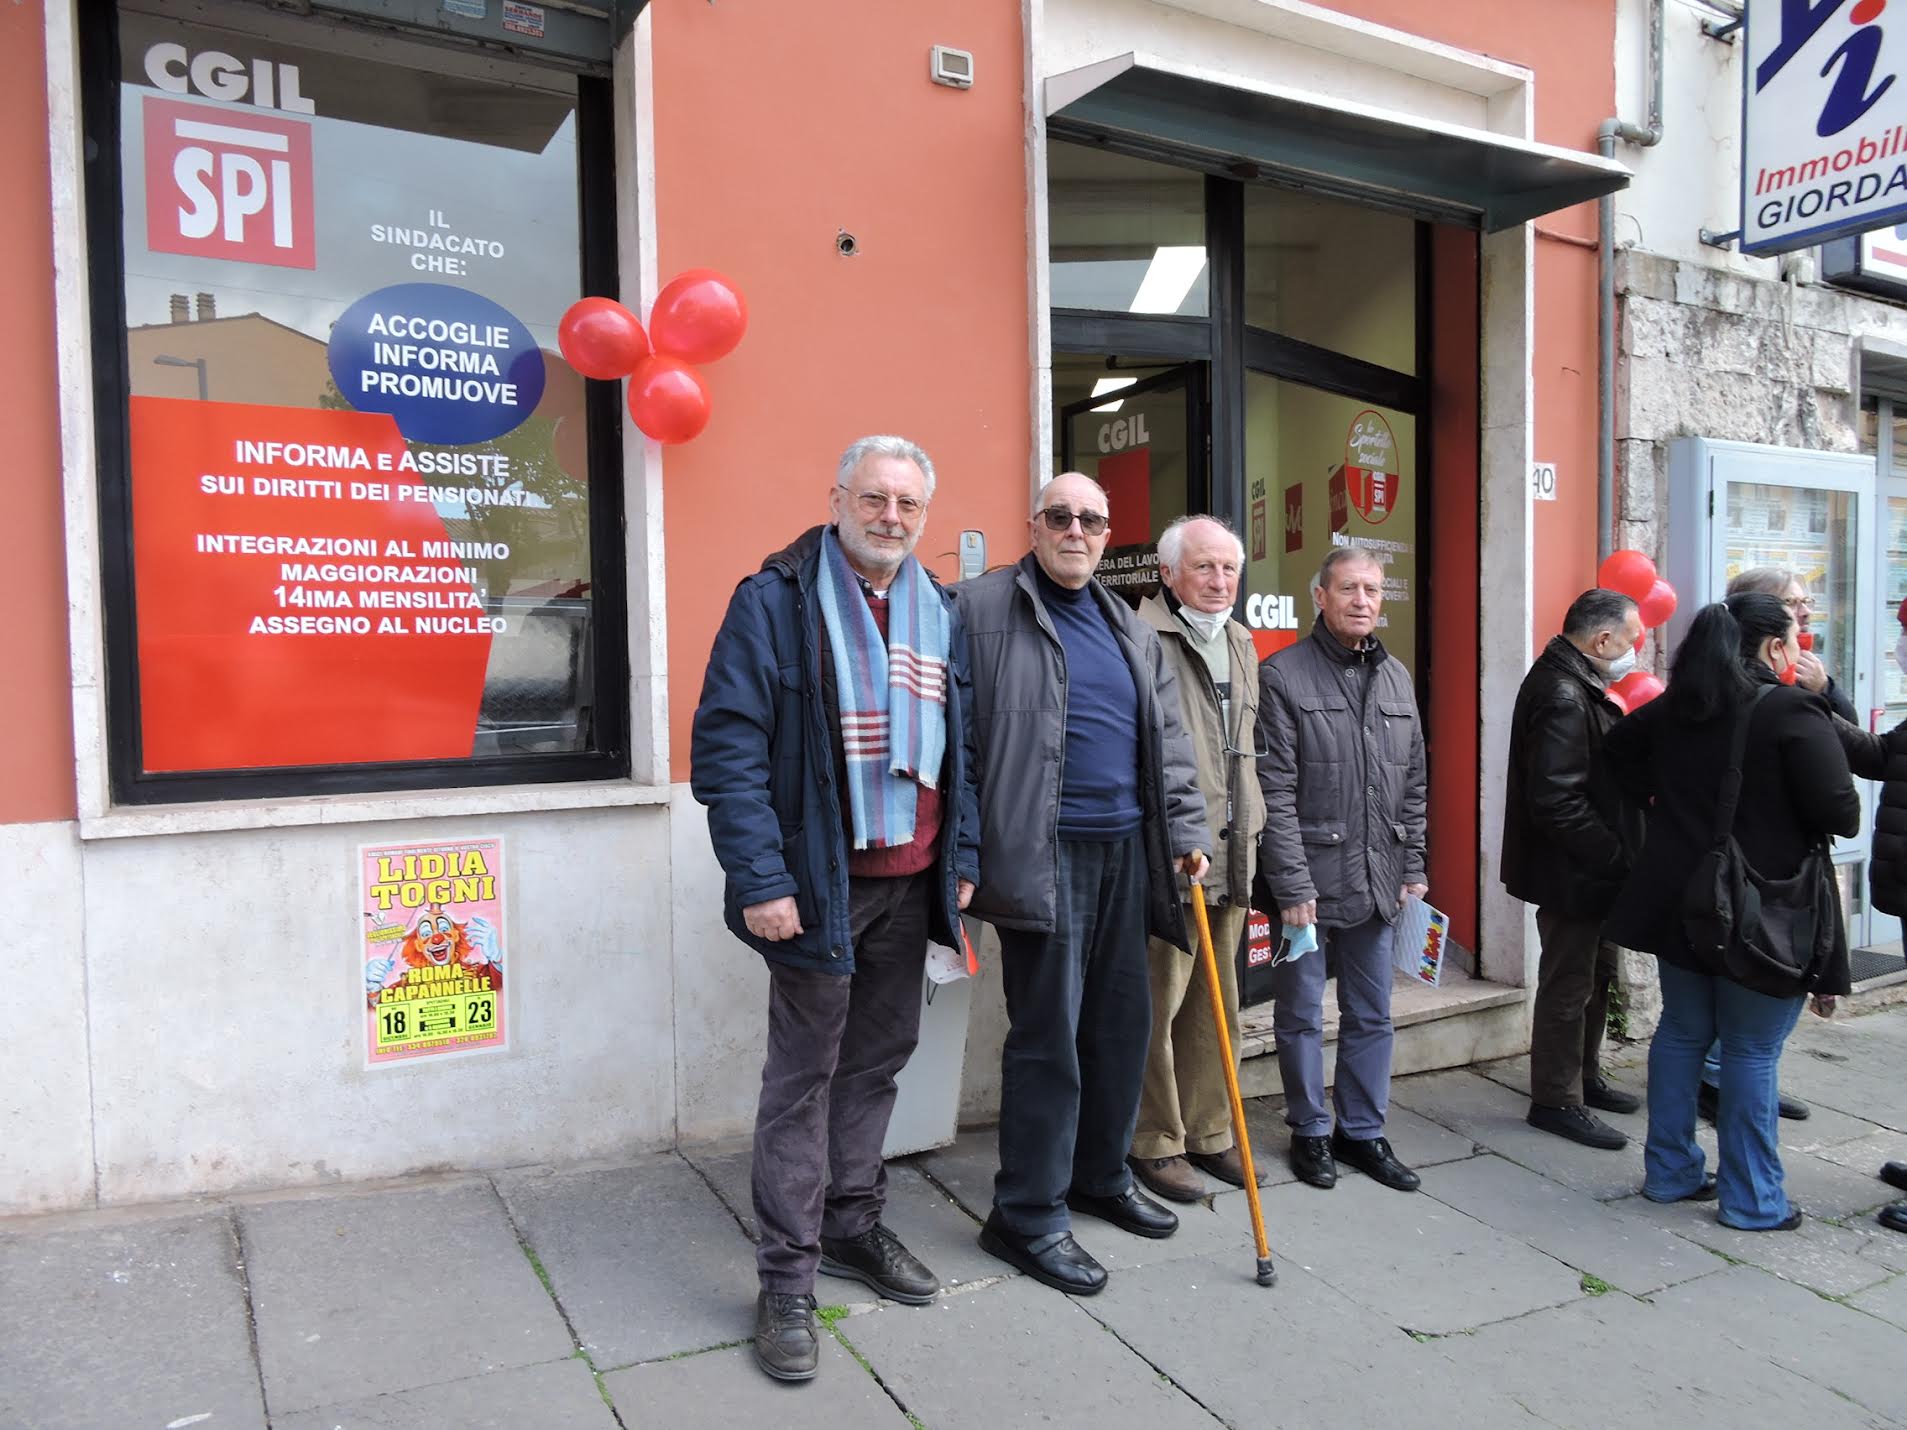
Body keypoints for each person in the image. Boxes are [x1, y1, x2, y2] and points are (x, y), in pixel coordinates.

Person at [690, 435, 981, 1381]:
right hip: (819, 886)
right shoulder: (772, 601)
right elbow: (729, 754)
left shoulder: (938, 608)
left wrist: (962, 862)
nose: (889, 516)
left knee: (877, 1068)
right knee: (802, 1081)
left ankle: (854, 1224)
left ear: (923, 515)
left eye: (907, 504)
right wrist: (762, 880)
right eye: (874, 498)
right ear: (837, 498)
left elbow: (962, 751)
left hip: (915, 878)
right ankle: (785, 1279)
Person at [955, 473, 1210, 1296]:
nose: (1075, 529)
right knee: (1047, 1040)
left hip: (1128, 854)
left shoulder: (1127, 627)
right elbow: (954, 744)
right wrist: (962, 854)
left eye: (1091, 519)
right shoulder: (980, 610)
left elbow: (1169, 743)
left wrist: (1187, 833)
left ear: (1108, 535)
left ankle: (1096, 1177)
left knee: (1119, 1030)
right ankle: (1025, 1215)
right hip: (1041, 853)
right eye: (1059, 516)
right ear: (1032, 525)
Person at [1605, 593, 1858, 1231]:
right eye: (1796, 636)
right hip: (1761, 909)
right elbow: (1843, 812)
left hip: (1681, 899)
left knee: (1683, 1033)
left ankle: (1669, 1174)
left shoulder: (1680, 707)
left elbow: (1617, 756)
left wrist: (1667, 813)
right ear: (1775, 647)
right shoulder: (1791, 709)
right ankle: (1753, 1200)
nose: (1802, 647)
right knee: (1749, 1050)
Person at [1255, 545, 1428, 1193]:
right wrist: (1290, 886)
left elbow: (1412, 778)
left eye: (1372, 590)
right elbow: (1271, 790)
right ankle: (1307, 1129)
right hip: (1308, 884)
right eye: (1348, 589)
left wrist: (1412, 863)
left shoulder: (1395, 678)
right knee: (1300, 1013)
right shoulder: (1283, 676)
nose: (1362, 601)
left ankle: (1360, 1132)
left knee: (1371, 1014)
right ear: (1318, 597)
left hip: (1378, 878)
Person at [1128, 516, 1267, 1203]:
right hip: (1173, 855)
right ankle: (1155, 1141)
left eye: (1228, 570)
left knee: (1219, 1003)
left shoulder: (1240, 640)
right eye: (1204, 568)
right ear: (1169, 573)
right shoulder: (1140, 638)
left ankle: (1212, 1131)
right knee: (1158, 1003)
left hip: (1233, 851)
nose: (1218, 582)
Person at [1501, 589, 1647, 1149]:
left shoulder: (1572, 679)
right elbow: (1558, 800)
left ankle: (1583, 1078)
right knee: (1568, 982)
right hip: (1574, 871)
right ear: (1602, 640)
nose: (1636, 651)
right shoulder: (1564, 692)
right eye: (1632, 641)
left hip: (1587, 869)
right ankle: (1556, 1099)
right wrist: (1613, 855)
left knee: (1595, 976)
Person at [1703, 566, 1845, 1123]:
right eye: (1793, 604)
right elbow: (1841, 805)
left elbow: (1850, 743)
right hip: (1757, 870)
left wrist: (1825, 691)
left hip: (1765, 865)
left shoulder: (1807, 681)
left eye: (1806, 601)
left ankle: (1736, 1086)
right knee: (1748, 1030)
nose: (1804, 613)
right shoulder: (1730, 691)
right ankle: (1751, 1182)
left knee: (1743, 1031)